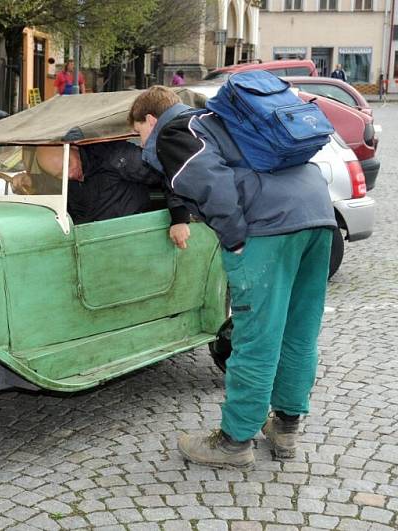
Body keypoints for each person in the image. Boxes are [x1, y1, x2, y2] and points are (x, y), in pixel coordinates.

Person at [129, 85, 337, 469]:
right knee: (299, 330)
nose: (140, 140)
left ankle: (234, 441)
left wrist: (235, 240)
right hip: (318, 214)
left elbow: (213, 186)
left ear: (151, 120)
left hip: (269, 228)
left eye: (138, 131)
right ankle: (287, 427)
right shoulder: (217, 121)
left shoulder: (176, 132)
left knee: (256, 337)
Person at [16, 141, 182, 225]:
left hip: (132, 233)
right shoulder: (64, 181)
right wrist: (32, 181)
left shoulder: (115, 156)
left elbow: (170, 172)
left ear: (74, 148)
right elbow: (52, 188)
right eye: (60, 175)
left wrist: (180, 217)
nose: (70, 175)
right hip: (90, 241)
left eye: (69, 165)